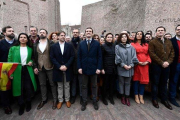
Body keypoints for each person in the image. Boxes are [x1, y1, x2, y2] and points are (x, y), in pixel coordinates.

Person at [8, 33, 37, 115]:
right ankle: (21, 105)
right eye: (21, 37)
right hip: (17, 70)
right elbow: (9, 61)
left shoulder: (30, 49)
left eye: (25, 37)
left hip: (27, 69)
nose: (23, 38)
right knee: (18, 88)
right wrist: (10, 73)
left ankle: (28, 102)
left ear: (27, 39)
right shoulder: (13, 48)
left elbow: (33, 58)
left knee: (28, 87)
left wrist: (31, 61)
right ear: (19, 39)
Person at [149, 26, 174, 110]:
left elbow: (172, 53)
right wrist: (161, 62)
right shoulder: (152, 42)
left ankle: (164, 99)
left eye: (162, 30)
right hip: (156, 66)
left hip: (167, 65)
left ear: (164, 32)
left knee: (164, 83)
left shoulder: (169, 42)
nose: (160, 32)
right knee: (155, 83)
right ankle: (154, 99)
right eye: (158, 30)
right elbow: (152, 54)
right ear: (156, 32)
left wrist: (168, 62)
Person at [77, 27, 102, 111]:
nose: (88, 32)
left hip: (94, 68)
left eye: (90, 31)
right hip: (84, 69)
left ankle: (95, 100)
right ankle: (84, 101)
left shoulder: (97, 43)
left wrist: (99, 68)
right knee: (84, 86)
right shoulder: (81, 43)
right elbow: (79, 57)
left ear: (92, 33)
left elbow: (99, 57)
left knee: (94, 85)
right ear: (85, 33)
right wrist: (79, 67)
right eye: (87, 31)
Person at [33, 29, 57, 110]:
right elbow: (34, 57)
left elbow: (55, 55)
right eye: (40, 32)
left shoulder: (51, 43)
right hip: (40, 67)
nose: (41, 33)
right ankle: (44, 99)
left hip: (50, 66)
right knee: (42, 84)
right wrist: (35, 67)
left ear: (46, 34)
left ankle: (55, 99)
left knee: (52, 84)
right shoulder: (36, 44)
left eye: (43, 32)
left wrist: (54, 65)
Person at [50, 31, 75, 109]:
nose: (63, 37)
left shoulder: (69, 46)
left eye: (64, 35)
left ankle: (67, 100)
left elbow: (72, 56)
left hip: (67, 68)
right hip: (58, 69)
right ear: (58, 36)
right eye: (61, 35)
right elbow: (52, 57)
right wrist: (59, 66)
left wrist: (66, 65)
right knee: (60, 86)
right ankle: (60, 100)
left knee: (67, 85)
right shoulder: (53, 46)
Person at [115, 33, 138, 106]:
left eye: (125, 37)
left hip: (129, 69)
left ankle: (127, 97)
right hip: (121, 68)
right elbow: (117, 57)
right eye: (122, 37)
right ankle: (122, 96)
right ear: (120, 38)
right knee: (121, 83)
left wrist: (131, 65)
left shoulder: (131, 47)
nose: (124, 38)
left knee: (128, 83)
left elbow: (134, 57)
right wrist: (123, 65)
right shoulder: (117, 47)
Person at [0, 26, 17, 114]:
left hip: (15, 67)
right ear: (4, 33)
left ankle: (14, 101)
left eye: (12, 30)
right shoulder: (1, 43)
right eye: (9, 31)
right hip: (4, 69)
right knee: (5, 87)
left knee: (15, 84)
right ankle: (6, 105)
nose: (12, 32)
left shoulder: (17, 43)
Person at [131, 31, 151, 104]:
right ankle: (136, 95)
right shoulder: (132, 44)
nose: (139, 35)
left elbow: (149, 54)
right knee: (136, 80)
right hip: (137, 64)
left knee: (143, 81)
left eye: (141, 34)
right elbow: (131, 55)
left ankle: (141, 95)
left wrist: (147, 61)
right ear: (135, 36)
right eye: (138, 34)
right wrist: (137, 62)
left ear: (143, 36)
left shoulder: (146, 44)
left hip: (145, 65)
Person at [101, 33, 116, 105]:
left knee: (112, 84)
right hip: (106, 68)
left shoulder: (114, 46)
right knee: (105, 84)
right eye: (108, 37)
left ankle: (111, 97)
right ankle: (103, 97)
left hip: (113, 68)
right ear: (106, 38)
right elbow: (101, 58)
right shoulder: (103, 46)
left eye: (111, 37)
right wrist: (102, 68)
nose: (110, 38)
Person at [169, 25, 180, 107]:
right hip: (175, 64)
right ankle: (172, 97)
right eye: (178, 29)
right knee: (173, 81)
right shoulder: (171, 41)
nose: (179, 30)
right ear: (175, 30)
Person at [70, 29, 82, 104]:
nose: (75, 33)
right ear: (72, 33)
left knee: (81, 82)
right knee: (73, 82)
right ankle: (73, 96)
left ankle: (81, 96)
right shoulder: (69, 43)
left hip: (81, 65)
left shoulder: (82, 42)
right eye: (74, 32)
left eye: (76, 32)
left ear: (78, 33)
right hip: (72, 65)